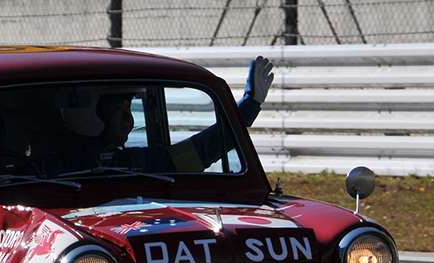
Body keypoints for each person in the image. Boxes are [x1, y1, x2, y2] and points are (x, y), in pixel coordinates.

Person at [47, 56, 274, 176]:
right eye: (118, 109)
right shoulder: (50, 169)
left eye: (129, 109)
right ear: (88, 114)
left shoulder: (143, 162)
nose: (128, 120)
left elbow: (205, 149)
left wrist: (248, 107)